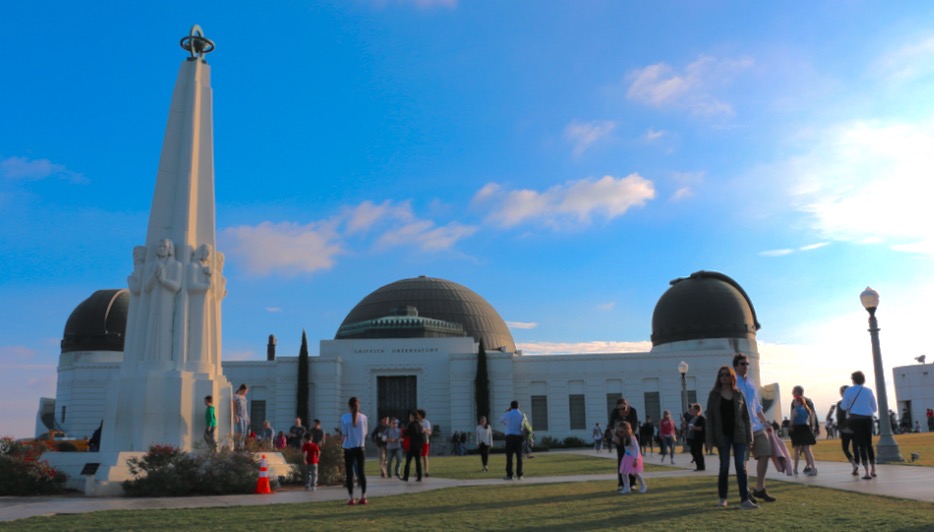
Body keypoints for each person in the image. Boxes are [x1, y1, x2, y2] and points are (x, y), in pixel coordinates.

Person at [706, 365, 758, 509]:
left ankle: (745, 499)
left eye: (727, 375)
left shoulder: (738, 394)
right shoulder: (714, 395)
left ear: (732, 377)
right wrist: (709, 440)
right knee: (724, 467)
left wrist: (750, 438)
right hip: (722, 435)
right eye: (721, 375)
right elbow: (709, 418)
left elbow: (746, 417)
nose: (724, 377)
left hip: (739, 435)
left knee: (741, 467)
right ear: (719, 378)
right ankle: (723, 499)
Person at [733, 353, 775, 503]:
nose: (746, 366)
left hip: (756, 426)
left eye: (747, 364)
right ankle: (746, 491)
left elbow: (757, 406)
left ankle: (759, 488)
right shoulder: (733, 383)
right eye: (743, 364)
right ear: (736, 366)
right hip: (741, 428)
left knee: (765, 453)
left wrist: (765, 422)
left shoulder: (750, 382)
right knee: (744, 461)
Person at [840, 370, 878, 480]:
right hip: (868, 419)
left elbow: (843, 407)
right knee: (869, 444)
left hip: (855, 419)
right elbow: (875, 408)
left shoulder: (849, 391)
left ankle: (866, 472)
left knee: (861, 445)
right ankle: (873, 469)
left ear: (853, 380)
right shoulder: (868, 391)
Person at [340, 396, 368, 505]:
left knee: (350, 474)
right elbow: (365, 433)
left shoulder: (344, 418)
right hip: (360, 448)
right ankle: (363, 497)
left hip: (349, 448)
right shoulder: (364, 418)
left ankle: (351, 498)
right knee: (361, 473)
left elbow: (344, 433)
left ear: (349, 406)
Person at [608, 398, 639, 490]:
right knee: (621, 460)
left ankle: (632, 483)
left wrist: (629, 437)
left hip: (630, 437)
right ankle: (621, 483)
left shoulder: (633, 411)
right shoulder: (615, 412)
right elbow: (611, 425)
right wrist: (615, 436)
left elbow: (634, 426)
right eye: (619, 409)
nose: (621, 411)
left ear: (627, 406)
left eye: (623, 408)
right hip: (620, 437)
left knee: (632, 460)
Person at [615, 421, 647, 494]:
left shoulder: (632, 437)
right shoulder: (624, 437)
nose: (620, 432)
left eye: (621, 430)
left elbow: (636, 448)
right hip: (627, 457)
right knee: (623, 472)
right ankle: (626, 488)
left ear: (626, 429)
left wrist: (635, 459)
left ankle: (643, 485)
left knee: (635, 473)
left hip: (633, 458)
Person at [789, 395, 818, 475]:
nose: (793, 403)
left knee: (796, 451)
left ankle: (795, 469)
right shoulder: (807, 410)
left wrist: (790, 428)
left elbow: (792, 422)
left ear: (798, 402)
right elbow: (811, 420)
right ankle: (813, 468)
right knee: (807, 450)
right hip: (806, 429)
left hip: (798, 430)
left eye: (794, 402)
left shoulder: (795, 410)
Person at [835, 385, 858, 475]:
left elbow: (839, 417)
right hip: (856, 427)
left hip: (845, 428)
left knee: (845, 448)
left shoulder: (840, 403)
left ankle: (853, 464)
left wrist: (840, 428)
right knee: (856, 448)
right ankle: (857, 465)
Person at [500, 400, 525, 480]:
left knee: (509, 457)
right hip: (519, 437)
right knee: (519, 457)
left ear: (511, 406)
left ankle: (509, 475)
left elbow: (500, 420)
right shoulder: (521, 414)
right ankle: (519, 474)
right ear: (518, 406)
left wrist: (507, 412)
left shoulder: (507, 414)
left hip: (509, 437)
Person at [401, 411, 423, 481]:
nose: (409, 418)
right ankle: (419, 477)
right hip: (418, 447)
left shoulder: (410, 425)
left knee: (408, 462)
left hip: (411, 446)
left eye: (410, 417)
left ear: (412, 417)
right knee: (418, 462)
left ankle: (406, 477)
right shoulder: (420, 425)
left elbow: (406, 434)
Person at [686, 403, 706, 471]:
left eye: (694, 409)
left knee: (698, 452)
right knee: (693, 451)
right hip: (692, 438)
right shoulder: (693, 418)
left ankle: (701, 466)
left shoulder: (701, 418)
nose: (692, 411)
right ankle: (698, 466)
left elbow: (702, 428)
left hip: (698, 438)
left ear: (698, 410)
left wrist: (694, 427)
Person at [232, 384, 249, 450]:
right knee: (240, 430)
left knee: (244, 431)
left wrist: (247, 417)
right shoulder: (235, 396)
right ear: (243, 390)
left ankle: (242, 445)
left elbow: (245, 408)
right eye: (246, 391)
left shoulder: (244, 397)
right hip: (239, 415)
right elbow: (234, 406)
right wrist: (235, 415)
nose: (246, 392)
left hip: (244, 416)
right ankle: (238, 444)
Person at [417, 409, 432, 477]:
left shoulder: (426, 422)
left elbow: (429, 432)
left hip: (425, 441)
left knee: (425, 456)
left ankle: (426, 471)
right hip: (417, 442)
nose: (417, 415)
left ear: (421, 415)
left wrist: (424, 429)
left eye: (418, 414)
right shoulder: (416, 422)